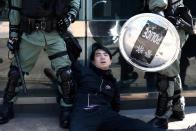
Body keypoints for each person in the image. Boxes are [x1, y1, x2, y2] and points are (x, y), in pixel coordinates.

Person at [0, 0, 80, 129]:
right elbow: (15, 9)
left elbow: (75, 2)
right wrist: (13, 36)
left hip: (55, 34)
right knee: (15, 74)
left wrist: (70, 17)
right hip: (30, 35)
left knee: (66, 74)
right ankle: (7, 106)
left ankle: (67, 109)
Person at [69, 43, 165, 131]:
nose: (102, 57)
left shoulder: (112, 83)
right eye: (98, 55)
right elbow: (70, 59)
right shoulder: (84, 71)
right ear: (93, 62)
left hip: (107, 115)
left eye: (106, 55)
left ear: (110, 61)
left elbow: (116, 106)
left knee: (137, 125)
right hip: (84, 113)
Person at [148, 0, 194, 129]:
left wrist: (162, 20)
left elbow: (158, 4)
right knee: (172, 69)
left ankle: (162, 117)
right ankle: (178, 109)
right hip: (170, 22)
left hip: (166, 24)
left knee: (166, 73)